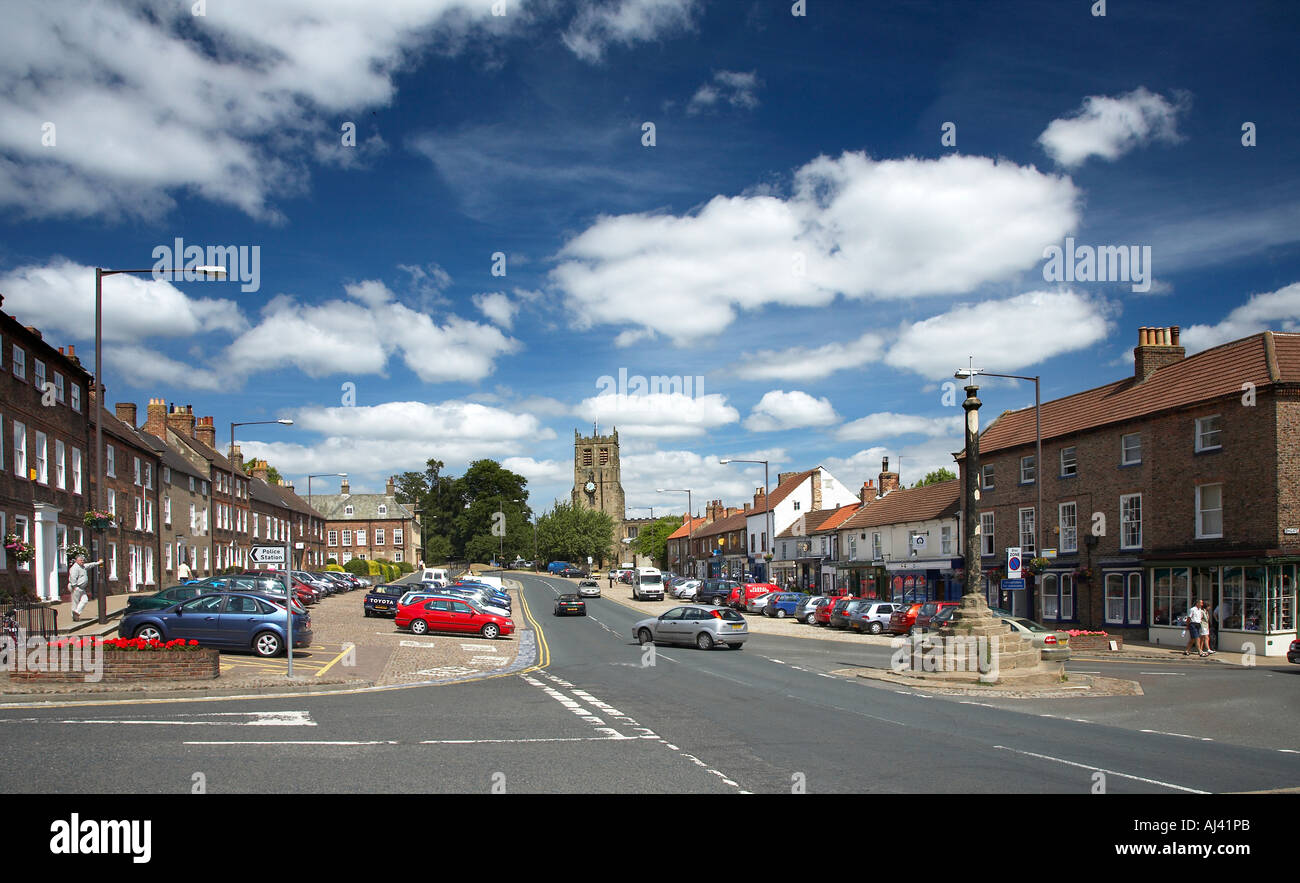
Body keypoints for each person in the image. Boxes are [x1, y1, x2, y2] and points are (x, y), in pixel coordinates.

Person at [68, 554, 104, 622]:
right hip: (76, 587)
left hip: (81, 588)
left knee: (85, 600)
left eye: (83, 560)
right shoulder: (75, 568)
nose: (82, 561)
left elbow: (90, 565)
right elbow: (73, 578)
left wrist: (98, 563)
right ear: (76, 561)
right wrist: (74, 586)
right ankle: (74, 617)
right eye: (80, 560)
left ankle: (77, 613)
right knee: (75, 602)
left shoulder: (83, 566)